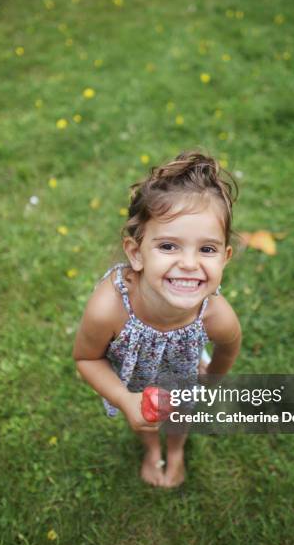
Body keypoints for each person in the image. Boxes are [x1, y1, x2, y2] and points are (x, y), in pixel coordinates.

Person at [73, 150, 242, 488]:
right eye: (169, 246)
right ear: (136, 253)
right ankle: (152, 449)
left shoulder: (215, 314)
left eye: (206, 249)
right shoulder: (110, 307)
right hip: (133, 376)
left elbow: (230, 344)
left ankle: (176, 450)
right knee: (143, 417)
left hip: (184, 374)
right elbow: (86, 357)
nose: (190, 263)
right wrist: (125, 399)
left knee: (180, 414)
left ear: (224, 258)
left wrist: (211, 377)